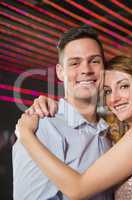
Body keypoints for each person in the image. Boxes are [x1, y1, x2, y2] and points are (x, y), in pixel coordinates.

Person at [16, 55, 132, 200]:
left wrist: (27, 137)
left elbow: (77, 189)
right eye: (108, 91)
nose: (114, 98)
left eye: (124, 86)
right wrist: (57, 107)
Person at [12, 26, 113, 200]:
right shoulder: (42, 128)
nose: (86, 70)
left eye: (94, 61)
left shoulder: (109, 131)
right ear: (60, 72)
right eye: (75, 63)